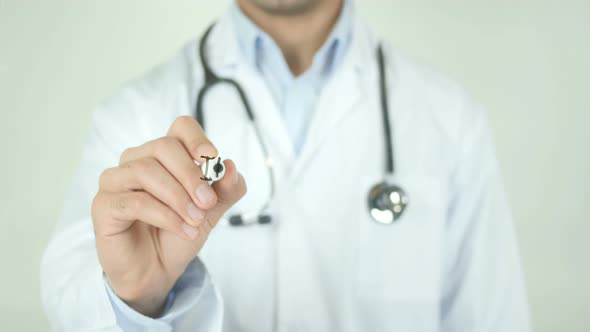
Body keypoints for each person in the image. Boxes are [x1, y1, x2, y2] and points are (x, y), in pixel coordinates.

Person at [41, 0, 531, 331]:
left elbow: (494, 318)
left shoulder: (450, 121)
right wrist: (135, 299)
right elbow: (71, 298)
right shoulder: (135, 116)